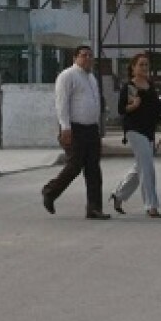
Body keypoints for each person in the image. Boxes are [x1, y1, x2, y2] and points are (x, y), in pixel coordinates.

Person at [41, 45, 110, 219]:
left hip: (91, 129)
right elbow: (61, 103)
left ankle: (94, 208)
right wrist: (65, 127)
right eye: (83, 55)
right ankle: (50, 191)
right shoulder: (67, 76)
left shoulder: (91, 78)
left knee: (94, 169)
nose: (87, 59)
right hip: (74, 128)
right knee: (74, 165)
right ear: (75, 58)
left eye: (90, 56)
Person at [110, 51, 161, 218]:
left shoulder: (149, 85)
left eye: (146, 65)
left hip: (148, 130)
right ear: (133, 68)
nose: (144, 67)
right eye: (140, 64)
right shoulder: (129, 87)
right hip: (134, 130)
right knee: (147, 167)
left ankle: (118, 195)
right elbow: (121, 110)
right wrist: (133, 106)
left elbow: (158, 106)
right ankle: (151, 205)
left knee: (140, 166)